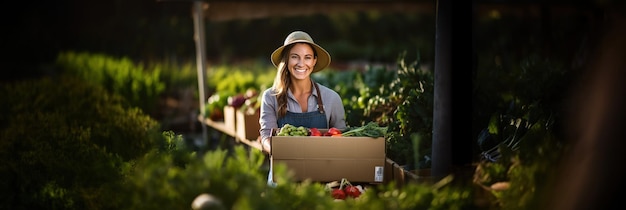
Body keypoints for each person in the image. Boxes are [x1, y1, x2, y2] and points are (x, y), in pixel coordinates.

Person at [259, 31, 347, 154]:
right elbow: (266, 136)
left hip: (323, 169)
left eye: (307, 57)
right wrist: (276, 150)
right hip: (284, 169)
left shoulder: (331, 98)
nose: (301, 63)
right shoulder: (271, 97)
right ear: (286, 60)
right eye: (295, 56)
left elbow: (342, 139)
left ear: (314, 61)